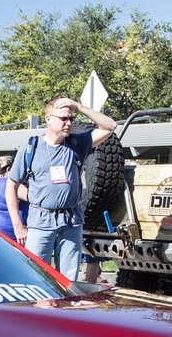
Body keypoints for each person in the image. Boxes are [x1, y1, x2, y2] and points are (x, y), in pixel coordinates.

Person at [6, 96, 117, 278]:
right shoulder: (31, 147)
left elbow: (110, 126)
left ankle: (64, 308)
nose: (69, 123)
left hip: (71, 222)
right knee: (37, 276)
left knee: (68, 279)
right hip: (41, 222)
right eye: (63, 118)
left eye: (71, 118)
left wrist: (78, 106)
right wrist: (18, 225)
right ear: (49, 120)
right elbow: (11, 186)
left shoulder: (76, 144)